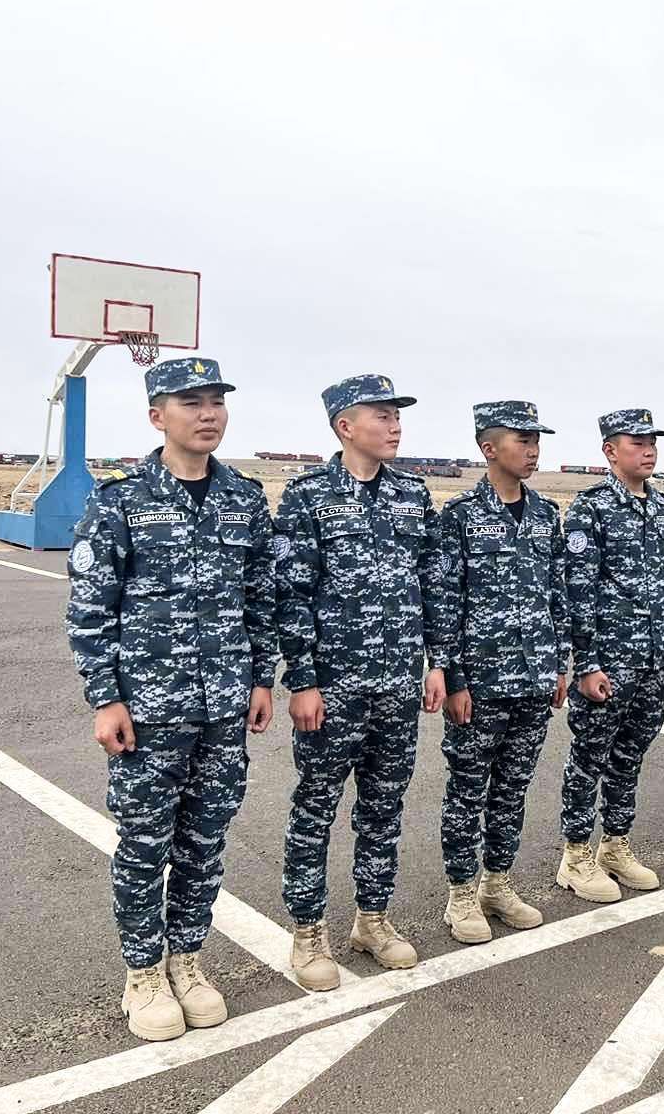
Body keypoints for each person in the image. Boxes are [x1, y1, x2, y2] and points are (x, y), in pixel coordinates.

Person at [66, 357, 276, 1042]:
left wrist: (259, 678)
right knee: (144, 845)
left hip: (222, 709)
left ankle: (187, 960)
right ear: (158, 415)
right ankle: (143, 972)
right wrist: (106, 698)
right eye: (191, 402)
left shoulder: (244, 498)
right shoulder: (121, 499)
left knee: (204, 843)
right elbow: (92, 605)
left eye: (216, 401)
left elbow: (260, 597)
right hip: (149, 710)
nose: (208, 413)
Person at [274, 374, 449, 989]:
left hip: (399, 684)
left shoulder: (410, 494)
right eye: (382, 415)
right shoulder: (309, 496)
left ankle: (372, 919)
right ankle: (307, 933)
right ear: (345, 426)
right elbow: (291, 595)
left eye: (397, 414)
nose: (395, 424)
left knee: (383, 808)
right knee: (316, 808)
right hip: (335, 686)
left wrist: (436, 662)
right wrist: (303, 680)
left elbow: (431, 582)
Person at [437, 400, 569, 943]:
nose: (534, 449)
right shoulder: (461, 517)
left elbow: (556, 594)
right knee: (468, 789)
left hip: (535, 676)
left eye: (537, 440)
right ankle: (461, 892)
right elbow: (446, 602)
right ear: (488, 448)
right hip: (482, 679)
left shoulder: (544, 515)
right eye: (522, 440)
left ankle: (497, 881)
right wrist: (454, 678)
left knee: (513, 787)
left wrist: (560, 662)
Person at [557, 409, 664, 902]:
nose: (649, 449)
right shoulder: (592, 509)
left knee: (630, 758)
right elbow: (579, 590)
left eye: (652, 440)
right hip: (610, 663)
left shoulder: (662, 508)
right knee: (588, 759)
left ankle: (615, 844)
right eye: (637, 442)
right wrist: (587, 664)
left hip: (653, 662)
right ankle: (575, 854)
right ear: (610, 451)